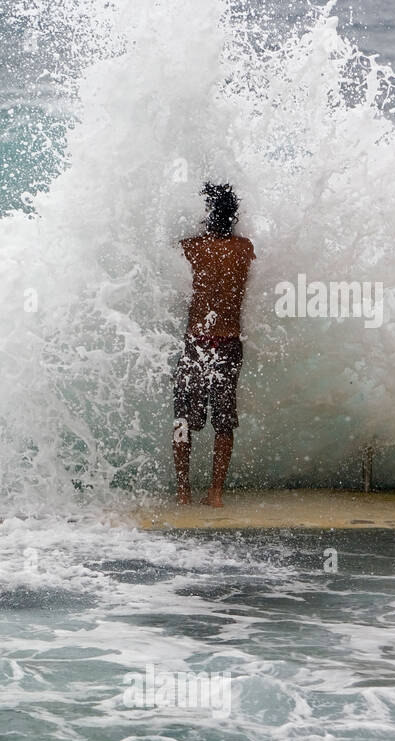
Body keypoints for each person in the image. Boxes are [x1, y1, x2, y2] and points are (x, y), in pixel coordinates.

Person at [173, 183, 255, 507]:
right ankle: (216, 493)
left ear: (206, 214)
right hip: (229, 342)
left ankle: (183, 492)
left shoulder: (189, 247)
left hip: (197, 342)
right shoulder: (245, 249)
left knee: (182, 420)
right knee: (224, 421)